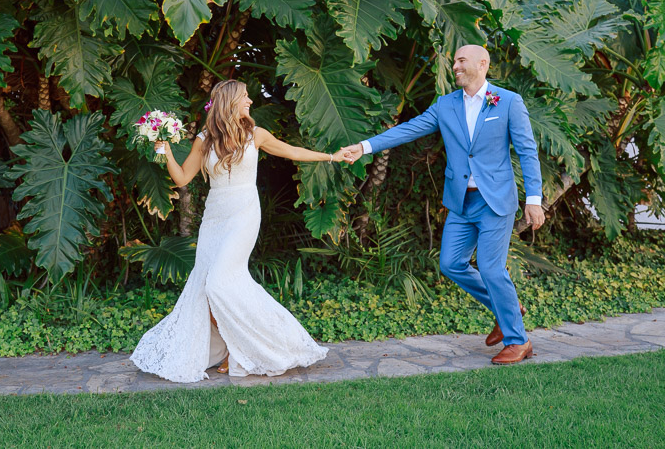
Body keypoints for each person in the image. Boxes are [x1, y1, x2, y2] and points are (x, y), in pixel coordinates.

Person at [338, 45, 545, 365]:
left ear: (483, 64)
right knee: (451, 264)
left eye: (462, 60)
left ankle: (518, 340)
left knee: (490, 268)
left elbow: (528, 151)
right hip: (462, 201)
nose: (456, 66)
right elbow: (408, 129)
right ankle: (507, 309)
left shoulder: (507, 102)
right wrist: (364, 147)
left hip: (495, 201)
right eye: (455, 61)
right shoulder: (445, 105)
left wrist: (534, 200)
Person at [130, 79, 346, 382]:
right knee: (205, 288)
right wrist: (165, 152)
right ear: (230, 102)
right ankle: (233, 346)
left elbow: (292, 152)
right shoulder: (205, 139)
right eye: (245, 97)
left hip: (244, 214)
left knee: (220, 282)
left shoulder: (255, 135)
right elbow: (181, 179)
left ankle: (252, 346)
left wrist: (331, 156)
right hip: (215, 218)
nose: (250, 102)